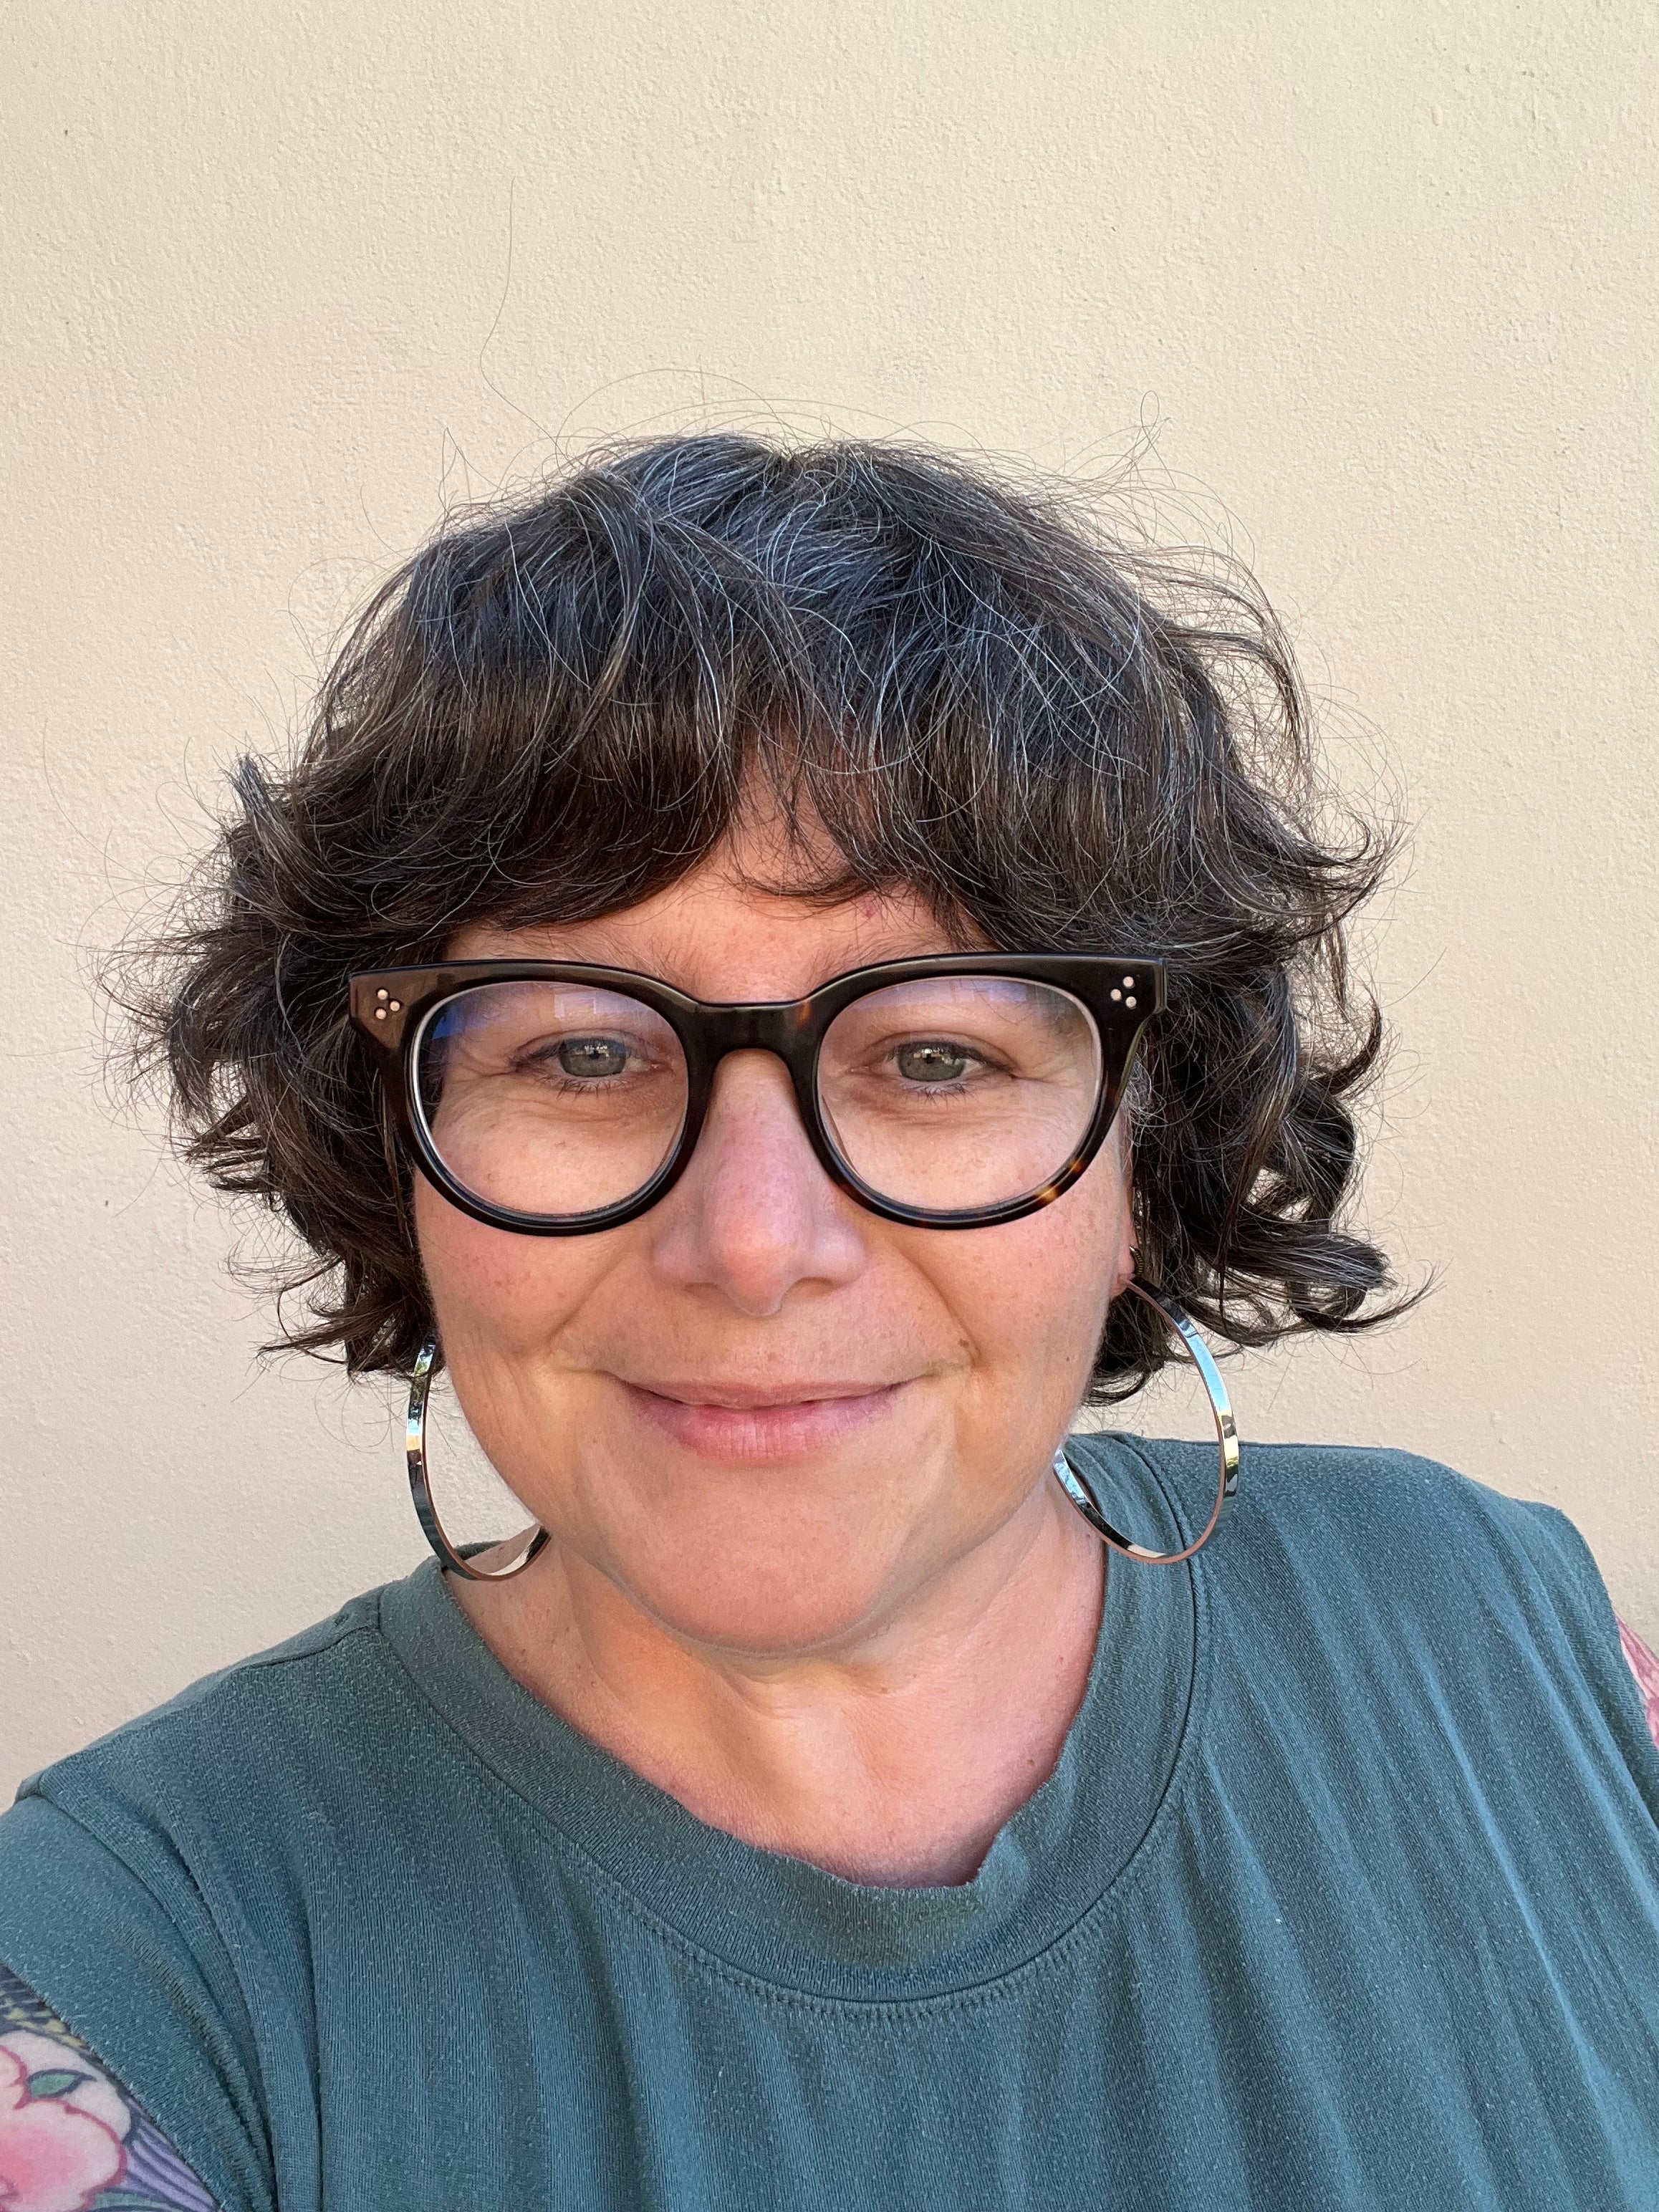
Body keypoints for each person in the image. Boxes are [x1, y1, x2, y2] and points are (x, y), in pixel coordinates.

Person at [3, 434, 1657, 2212]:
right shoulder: (135, 1971)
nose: (752, 1242)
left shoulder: (1521, 1642)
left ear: (1147, 1155)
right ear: (393, 1149)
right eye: (582, 1050)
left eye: (936, 1055)